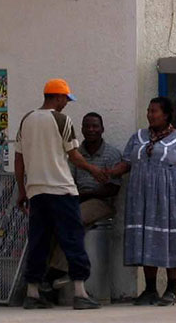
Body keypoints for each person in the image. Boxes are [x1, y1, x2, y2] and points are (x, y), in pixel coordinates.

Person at [15, 79, 108, 311]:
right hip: (61, 190)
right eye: (66, 99)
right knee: (72, 239)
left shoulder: (26, 120)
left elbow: (19, 158)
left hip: (36, 191)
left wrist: (22, 190)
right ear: (57, 97)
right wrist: (93, 170)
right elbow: (74, 155)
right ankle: (80, 292)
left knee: (38, 241)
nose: (66, 103)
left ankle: (33, 293)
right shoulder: (62, 120)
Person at [106, 96, 176, 306]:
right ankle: (150, 289)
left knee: (170, 239)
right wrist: (107, 173)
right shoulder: (138, 137)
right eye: (148, 110)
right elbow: (127, 163)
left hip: (170, 197)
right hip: (142, 197)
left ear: (166, 115)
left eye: (154, 111)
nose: (150, 114)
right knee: (147, 238)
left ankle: (171, 289)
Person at [42, 111, 123, 296]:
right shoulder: (75, 154)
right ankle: (50, 279)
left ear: (102, 129)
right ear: (82, 129)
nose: (91, 130)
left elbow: (112, 189)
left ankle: (55, 272)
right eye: (87, 126)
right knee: (52, 220)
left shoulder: (112, 154)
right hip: (76, 199)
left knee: (72, 219)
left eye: (95, 126)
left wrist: (85, 194)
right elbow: (68, 180)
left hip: (101, 202)